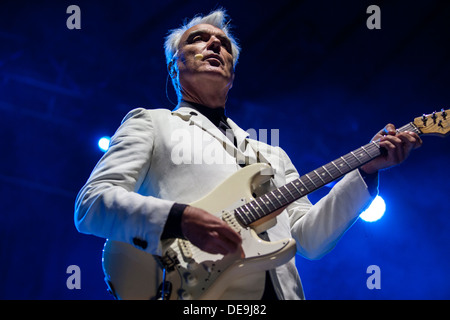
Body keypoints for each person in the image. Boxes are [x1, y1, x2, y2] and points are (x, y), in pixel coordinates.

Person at [74, 9, 422, 300]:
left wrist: (365, 172)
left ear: (232, 71)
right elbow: (92, 203)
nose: (214, 44)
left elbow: (309, 240)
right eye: (198, 39)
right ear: (173, 66)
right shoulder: (152, 123)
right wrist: (180, 219)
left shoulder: (271, 154)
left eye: (223, 44)